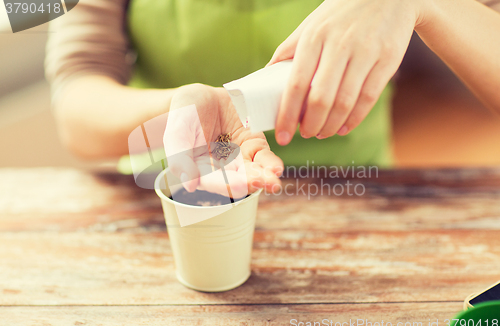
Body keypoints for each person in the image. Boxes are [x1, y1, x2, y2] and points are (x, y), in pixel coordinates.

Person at [46, 0, 500, 195]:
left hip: (352, 194)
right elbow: (77, 109)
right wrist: (178, 113)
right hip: (173, 195)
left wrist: (425, 3)